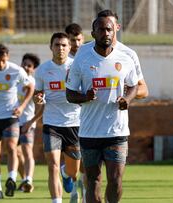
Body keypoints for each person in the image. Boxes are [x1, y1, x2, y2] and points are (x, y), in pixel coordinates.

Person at [65, 15, 138, 203]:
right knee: (93, 180)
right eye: (101, 29)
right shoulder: (82, 58)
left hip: (117, 131)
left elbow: (134, 85)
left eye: (109, 29)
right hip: (89, 132)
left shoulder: (125, 58)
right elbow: (70, 94)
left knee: (115, 180)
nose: (105, 33)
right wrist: (85, 97)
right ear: (93, 33)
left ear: (114, 31)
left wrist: (127, 99)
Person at [0, 44, 34, 199]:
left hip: (11, 116)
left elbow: (30, 87)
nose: (0, 64)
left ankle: (11, 178)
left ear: (7, 57)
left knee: (11, 147)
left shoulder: (17, 70)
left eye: (3, 60)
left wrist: (22, 106)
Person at [34, 32, 81, 203]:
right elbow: (37, 93)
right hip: (51, 124)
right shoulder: (42, 70)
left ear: (69, 48)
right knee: (52, 165)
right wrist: (37, 98)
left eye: (63, 45)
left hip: (74, 123)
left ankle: (66, 173)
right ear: (51, 47)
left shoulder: (77, 67)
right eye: (56, 45)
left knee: (73, 171)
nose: (60, 48)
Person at [74, 9, 148, 99]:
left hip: (116, 111)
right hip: (89, 111)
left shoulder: (128, 54)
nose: (106, 30)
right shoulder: (84, 49)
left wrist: (125, 94)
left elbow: (143, 90)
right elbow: (72, 84)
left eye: (109, 25)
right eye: (101, 27)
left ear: (117, 27)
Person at [65, 22, 85, 203]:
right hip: (67, 119)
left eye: (79, 40)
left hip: (86, 117)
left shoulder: (89, 57)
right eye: (72, 40)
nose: (76, 44)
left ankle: (84, 192)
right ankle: (72, 188)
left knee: (86, 159)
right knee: (73, 160)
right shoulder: (63, 61)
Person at [16, 53, 41, 193]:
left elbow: (41, 107)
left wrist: (31, 122)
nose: (25, 67)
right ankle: (24, 180)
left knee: (27, 152)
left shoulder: (35, 84)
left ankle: (28, 180)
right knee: (15, 153)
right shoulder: (15, 80)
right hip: (13, 123)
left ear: (34, 69)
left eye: (29, 65)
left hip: (27, 123)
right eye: (24, 64)